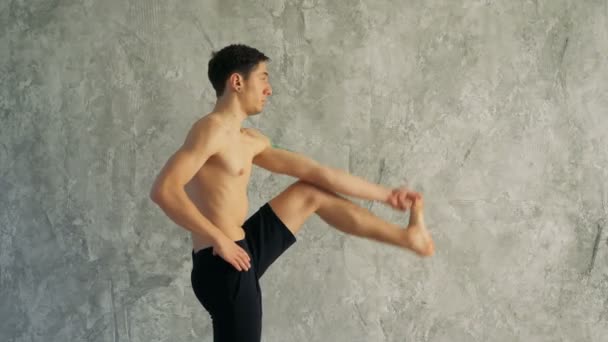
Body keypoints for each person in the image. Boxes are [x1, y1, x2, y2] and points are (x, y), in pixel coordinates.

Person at [149, 44, 434, 342]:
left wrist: (386, 195)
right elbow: (164, 190)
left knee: (310, 192)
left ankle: (407, 237)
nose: (268, 89)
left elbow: (319, 173)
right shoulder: (210, 130)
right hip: (222, 263)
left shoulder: (250, 140)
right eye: (263, 78)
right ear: (237, 82)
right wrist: (219, 239)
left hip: (243, 248)